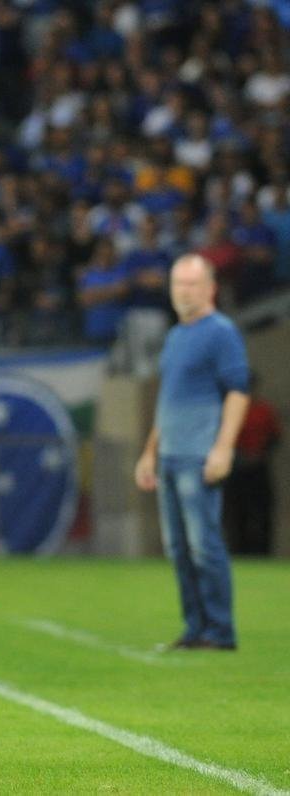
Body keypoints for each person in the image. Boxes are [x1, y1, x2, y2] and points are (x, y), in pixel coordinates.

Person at [134, 254, 250, 651]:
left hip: (199, 453)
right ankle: (195, 628)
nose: (182, 291)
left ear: (210, 288)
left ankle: (220, 631)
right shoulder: (176, 335)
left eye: (191, 283)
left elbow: (238, 389)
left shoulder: (221, 332)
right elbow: (168, 401)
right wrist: (150, 451)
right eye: (177, 283)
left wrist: (223, 448)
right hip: (170, 455)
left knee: (205, 545)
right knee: (180, 549)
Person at [223, 372, 280, 555]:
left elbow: (275, 437)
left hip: (258, 467)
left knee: (261, 512)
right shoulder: (228, 411)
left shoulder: (263, 410)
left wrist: (259, 454)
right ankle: (239, 552)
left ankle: (263, 552)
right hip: (236, 468)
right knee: (237, 513)